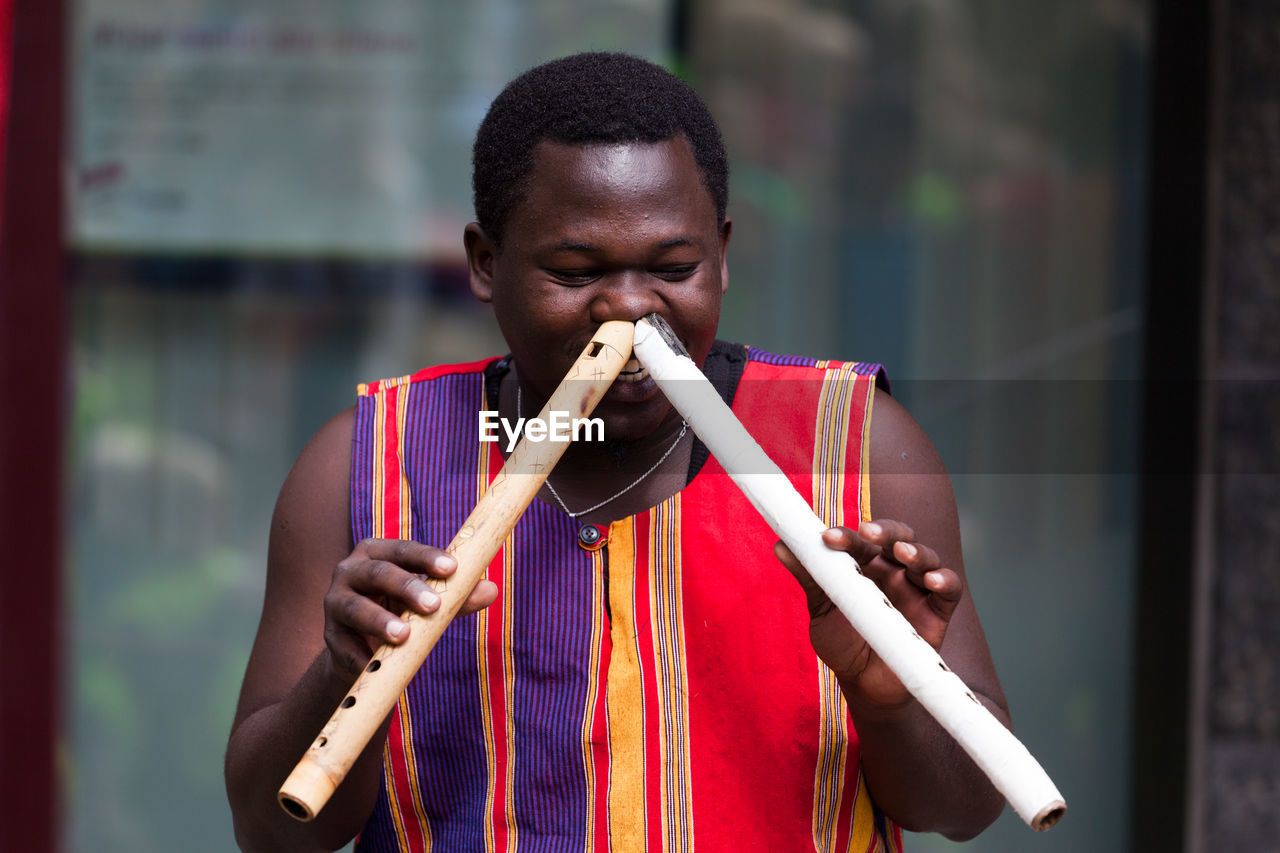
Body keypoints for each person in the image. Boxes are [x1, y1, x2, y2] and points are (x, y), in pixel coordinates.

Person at [226, 52, 1010, 852]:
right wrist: (343, 672)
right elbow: (270, 829)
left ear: (725, 253)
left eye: (675, 268)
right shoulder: (362, 465)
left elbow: (969, 806)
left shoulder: (861, 447)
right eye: (575, 270)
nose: (632, 309)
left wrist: (890, 696)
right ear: (485, 263)